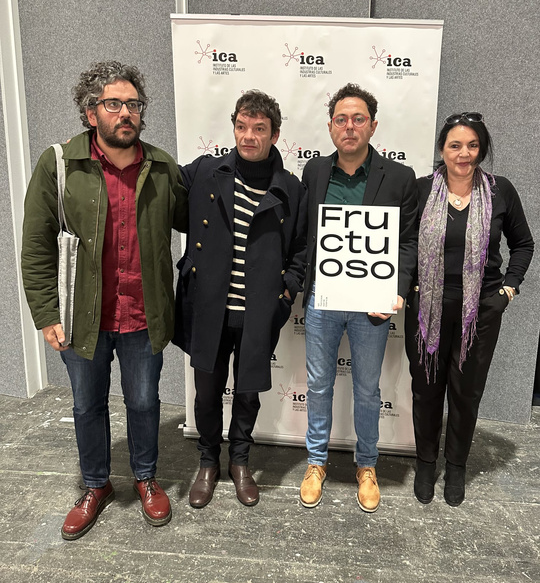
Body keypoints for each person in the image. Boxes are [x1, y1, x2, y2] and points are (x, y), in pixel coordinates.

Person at [21, 61, 188, 539]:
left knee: (143, 401)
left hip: (143, 314)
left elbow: (195, 223)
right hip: (81, 318)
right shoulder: (59, 165)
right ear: (90, 113)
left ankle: (145, 477)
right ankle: (96, 484)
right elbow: (36, 245)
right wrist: (47, 315)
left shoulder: (162, 167)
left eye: (133, 104)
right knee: (86, 405)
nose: (125, 113)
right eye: (113, 104)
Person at [174, 90, 307, 508]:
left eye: (259, 129)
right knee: (207, 392)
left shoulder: (290, 188)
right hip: (208, 307)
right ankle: (208, 462)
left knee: (248, 392)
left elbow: (302, 250)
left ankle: (241, 462)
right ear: (234, 127)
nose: (249, 136)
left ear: (275, 134)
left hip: (257, 312)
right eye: (242, 127)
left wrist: (286, 290)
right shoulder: (205, 172)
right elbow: (161, 187)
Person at [405, 112, 534, 506]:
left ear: (482, 149)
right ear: (442, 148)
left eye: (472, 145)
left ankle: (456, 466)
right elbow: (405, 242)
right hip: (427, 310)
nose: (463, 154)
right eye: (455, 145)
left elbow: (523, 244)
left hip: (480, 312)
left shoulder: (501, 191)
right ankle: (426, 462)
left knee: (466, 393)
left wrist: (507, 291)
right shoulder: (422, 189)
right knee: (426, 390)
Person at [299, 83, 418, 511]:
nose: (349, 127)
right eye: (341, 119)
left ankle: (366, 465)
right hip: (323, 300)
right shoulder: (314, 172)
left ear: (373, 125)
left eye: (358, 119)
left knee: (368, 389)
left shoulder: (401, 178)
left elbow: (407, 243)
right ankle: (316, 462)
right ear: (331, 126)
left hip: (372, 302)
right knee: (318, 384)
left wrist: (397, 290)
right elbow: (303, 234)